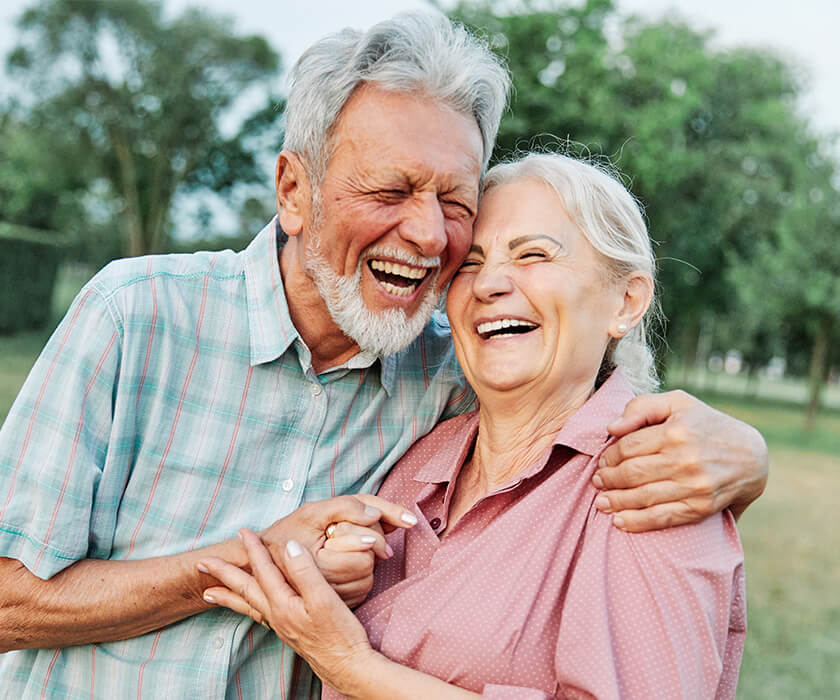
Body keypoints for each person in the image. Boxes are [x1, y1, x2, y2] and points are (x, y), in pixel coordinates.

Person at [0, 11, 763, 700]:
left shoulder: (451, 372)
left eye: (455, 201)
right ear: (295, 191)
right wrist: (254, 565)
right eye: (390, 189)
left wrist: (745, 454)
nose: (431, 237)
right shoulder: (136, 315)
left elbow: (569, 398)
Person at [202, 152, 747, 699]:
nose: (489, 284)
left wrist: (347, 663)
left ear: (626, 301)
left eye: (533, 254)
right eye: (469, 264)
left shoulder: (655, 484)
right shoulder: (420, 460)